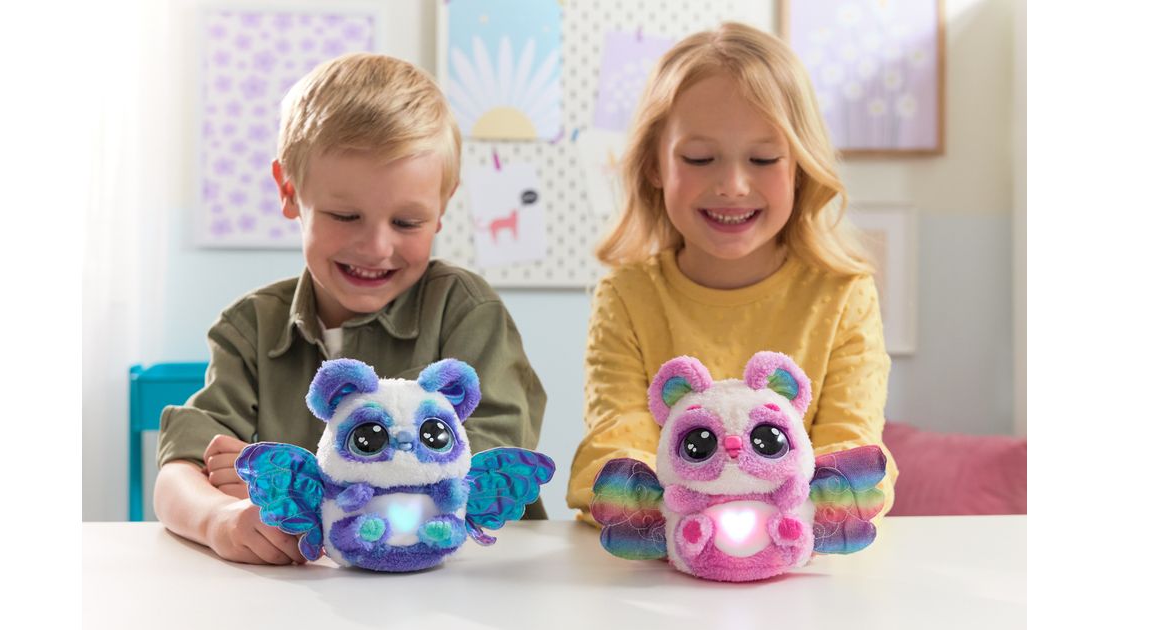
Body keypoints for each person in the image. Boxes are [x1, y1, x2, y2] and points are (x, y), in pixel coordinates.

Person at [154, 53, 547, 565]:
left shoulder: (466, 311)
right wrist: (219, 518)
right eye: (345, 215)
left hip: (462, 585)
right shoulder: (249, 329)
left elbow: (469, 474)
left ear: (443, 207)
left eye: (406, 223)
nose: (377, 247)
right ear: (289, 191)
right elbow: (179, 471)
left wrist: (300, 489)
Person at [567, 22, 898, 522]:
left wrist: (770, 526)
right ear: (654, 165)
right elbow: (615, 453)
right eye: (700, 158)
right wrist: (695, 521)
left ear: (800, 166)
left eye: (763, 158)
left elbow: (851, 456)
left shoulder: (843, 295)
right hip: (665, 556)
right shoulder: (627, 295)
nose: (733, 185)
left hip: (800, 556)